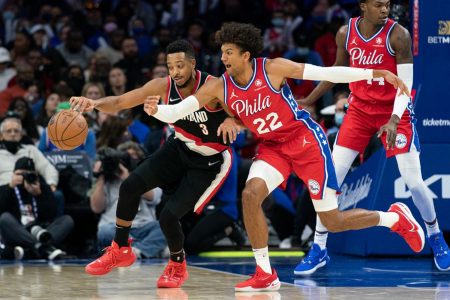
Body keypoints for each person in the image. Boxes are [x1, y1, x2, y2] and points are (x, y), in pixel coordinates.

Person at [137, 22, 424, 292]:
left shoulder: (273, 68)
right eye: (221, 52)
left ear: (245, 55)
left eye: (229, 52)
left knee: (333, 221)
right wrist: (157, 111)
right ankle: (265, 273)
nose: (222, 57)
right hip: (274, 148)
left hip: (306, 143)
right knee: (250, 194)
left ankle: (393, 219)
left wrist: (375, 73)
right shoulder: (218, 86)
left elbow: (326, 73)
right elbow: (179, 111)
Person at [295, 0, 450, 275]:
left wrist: (392, 119)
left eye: (388, 4)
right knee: (330, 181)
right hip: (359, 111)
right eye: (378, 4)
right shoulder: (346, 33)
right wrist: (309, 99)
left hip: (395, 112)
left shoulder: (398, 35)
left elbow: (406, 85)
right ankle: (319, 248)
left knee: (414, 182)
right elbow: (337, 70)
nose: (385, 10)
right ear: (363, 6)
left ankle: (436, 237)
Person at [69, 40, 234, 288]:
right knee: (130, 186)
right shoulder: (163, 86)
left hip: (209, 160)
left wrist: (235, 121)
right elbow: (121, 102)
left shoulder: (213, 86)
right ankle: (121, 248)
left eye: (180, 65)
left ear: (192, 63)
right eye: (170, 66)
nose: (175, 72)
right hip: (179, 146)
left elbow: (244, 112)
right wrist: (93, 104)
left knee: (168, 216)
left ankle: (178, 264)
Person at [0, 157, 73, 260]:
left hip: (41, 231)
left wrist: (38, 195)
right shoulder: (6, 189)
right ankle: (44, 249)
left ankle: (31, 252)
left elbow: (51, 215)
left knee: (67, 220)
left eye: (28, 174)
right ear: (13, 174)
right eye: (20, 174)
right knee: (4, 218)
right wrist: (10, 187)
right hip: (18, 232)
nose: (24, 177)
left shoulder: (43, 188)